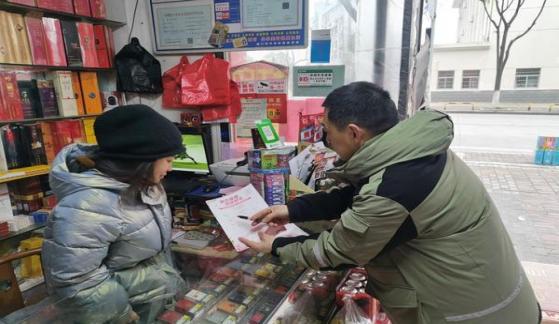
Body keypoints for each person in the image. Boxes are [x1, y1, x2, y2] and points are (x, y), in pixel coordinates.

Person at [240, 82, 540, 324]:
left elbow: (339, 250)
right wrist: (291, 210)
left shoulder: (397, 185)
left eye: (328, 134)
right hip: (492, 295)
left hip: (469, 313)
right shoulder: (411, 152)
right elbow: (356, 194)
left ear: (355, 133)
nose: (326, 142)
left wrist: (276, 247)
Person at [42, 105, 186, 323]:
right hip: (123, 311)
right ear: (141, 161)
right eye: (167, 160)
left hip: (152, 298)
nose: (171, 168)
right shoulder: (88, 205)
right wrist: (121, 315)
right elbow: (78, 282)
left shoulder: (144, 184)